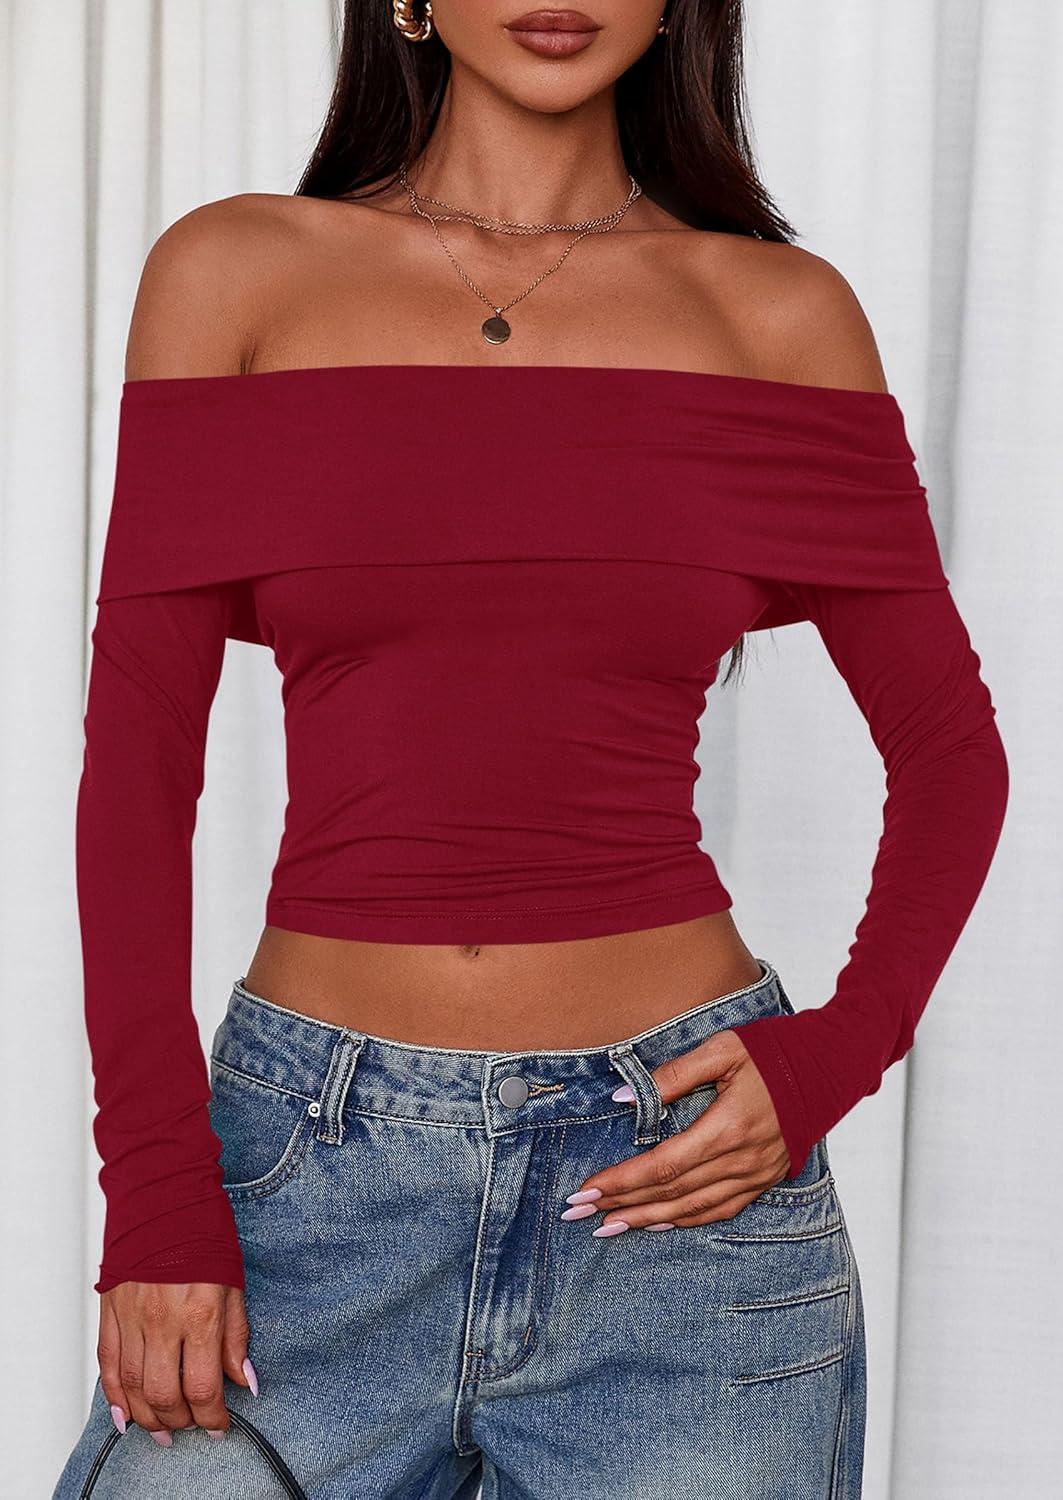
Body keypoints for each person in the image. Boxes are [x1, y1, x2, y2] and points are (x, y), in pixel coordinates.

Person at [53, 2, 1009, 1497]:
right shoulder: (237, 277)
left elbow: (951, 750)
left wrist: (835, 1053)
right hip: (301, 1181)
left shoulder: (773, 317)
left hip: (675, 1194)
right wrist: (159, 1196)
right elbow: (135, 775)